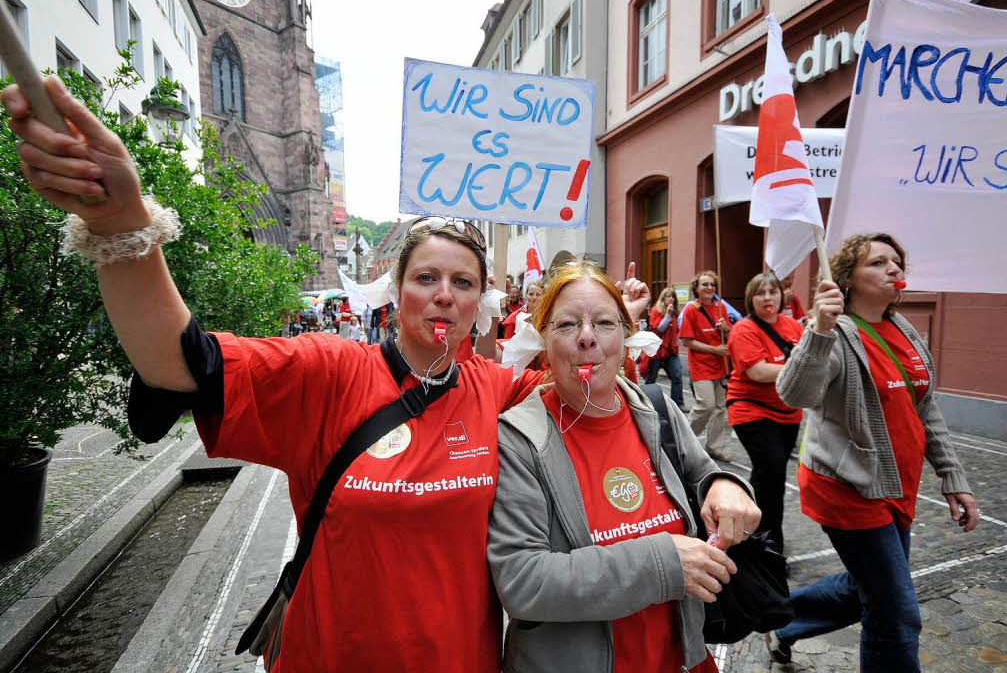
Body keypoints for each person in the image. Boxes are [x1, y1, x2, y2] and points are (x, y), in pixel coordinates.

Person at [0, 76, 654, 670]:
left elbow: (598, 393)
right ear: (395, 292)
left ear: (484, 303)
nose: (444, 294)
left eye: (463, 282)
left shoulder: (503, 394)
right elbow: (179, 363)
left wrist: (600, 325)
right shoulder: (327, 371)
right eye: (426, 277)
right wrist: (120, 220)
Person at [487, 260, 761, 673]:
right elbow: (524, 582)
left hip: (681, 659)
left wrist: (725, 485)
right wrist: (663, 563)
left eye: (603, 323)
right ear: (542, 343)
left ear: (626, 335)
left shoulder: (655, 407)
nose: (586, 338)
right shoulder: (518, 439)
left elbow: (703, 473)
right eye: (565, 325)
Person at [766, 233, 979, 672]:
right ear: (848, 278)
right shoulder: (835, 332)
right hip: (847, 489)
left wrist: (952, 477)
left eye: (897, 261)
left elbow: (926, 407)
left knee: (868, 586)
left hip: (896, 486)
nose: (894, 269)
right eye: (878, 263)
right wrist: (820, 331)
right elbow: (793, 392)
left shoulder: (904, 330)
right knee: (896, 612)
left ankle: (783, 622)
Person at [726, 272, 804, 554]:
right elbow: (758, 371)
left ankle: (747, 526)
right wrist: (799, 367)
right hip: (751, 410)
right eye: (761, 293)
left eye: (773, 291)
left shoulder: (793, 326)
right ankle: (771, 548)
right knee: (772, 477)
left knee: (766, 476)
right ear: (751, 299)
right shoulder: (744, 329)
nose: (768, 298)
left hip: (788, 413)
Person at [680, 270, 732, 461]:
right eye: (705, 284)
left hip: (720, 365)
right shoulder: (691, 310)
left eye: (712, 284)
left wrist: (725, 329)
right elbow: (687, 341)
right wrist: (714, 349)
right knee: (706, 405)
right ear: (696, 288)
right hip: (701, 366)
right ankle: (684, 439)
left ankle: (714, 446)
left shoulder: (721, 308)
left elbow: (730, 336)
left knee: (720, 407)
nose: (710, 287)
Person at [645, 287, 685, 409]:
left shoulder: (675, 313)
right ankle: (646, 402)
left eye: (673, 296)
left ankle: (677, 404)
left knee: (677, 375)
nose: (671, 298)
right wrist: (667, 315)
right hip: (657, 350)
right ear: (663, 298)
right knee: (652, 377)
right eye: (668, 296)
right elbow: (660, 328)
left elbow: (677, 330)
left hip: (671, 350)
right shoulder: (655, 311)